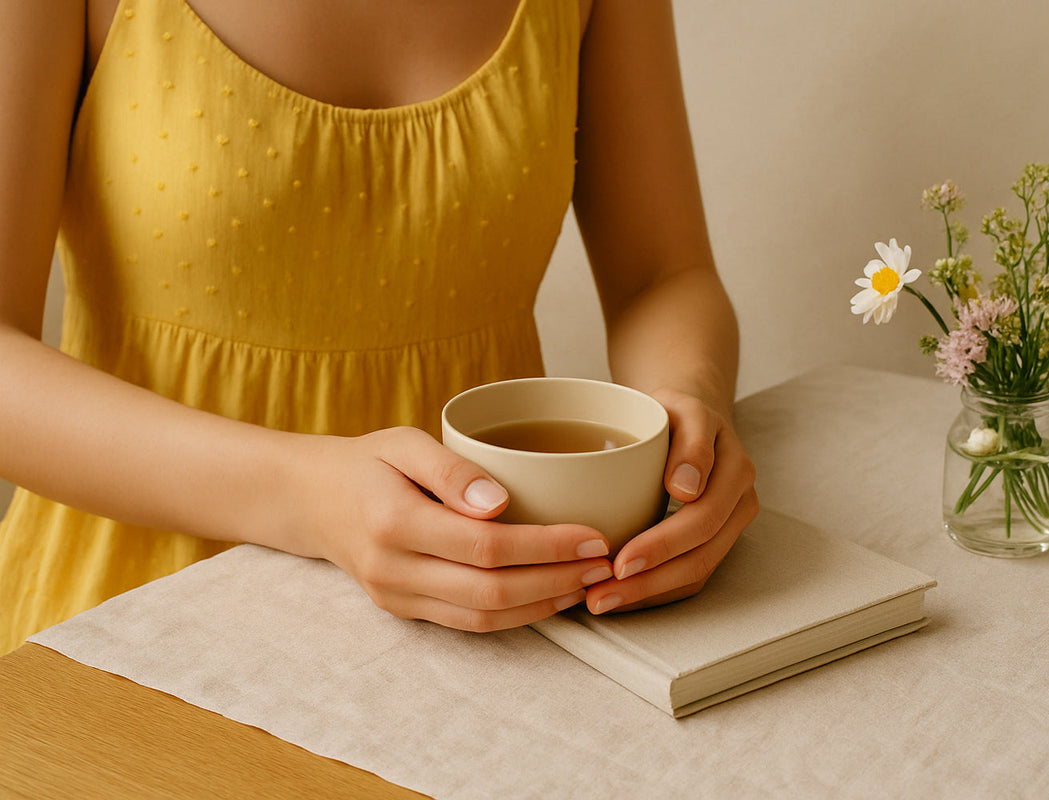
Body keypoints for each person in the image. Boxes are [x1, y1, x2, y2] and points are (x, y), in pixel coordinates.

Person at [0, 0, 758, 654]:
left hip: (491, 629)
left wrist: (686, 412)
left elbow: (662, 276)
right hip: (133, 617)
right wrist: (307, 498)